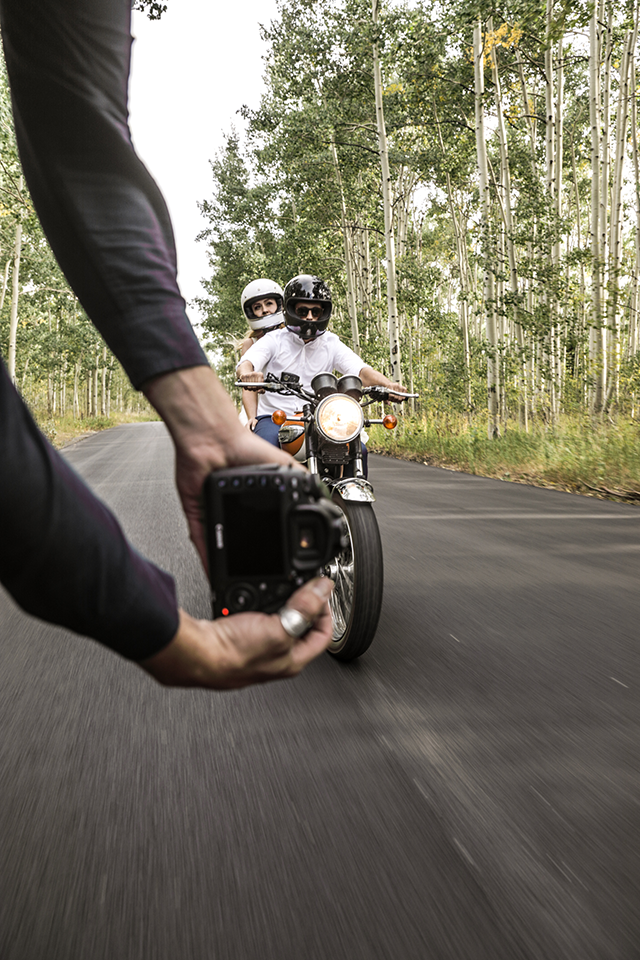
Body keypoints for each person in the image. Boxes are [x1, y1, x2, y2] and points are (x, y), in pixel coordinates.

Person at [0, 0, 333, 689]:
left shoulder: (318, 336)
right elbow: (80, 131)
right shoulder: (258, 346)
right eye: (271, 305)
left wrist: (200, 420)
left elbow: (81, 135)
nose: (282, 312)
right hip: (265, 411)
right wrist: (167, 634)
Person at [237, 274, 406, 447]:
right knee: (264, 446)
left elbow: (361, 371)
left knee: (357, 449)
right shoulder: (274, 339)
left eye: (315, 312)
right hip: (275, 417)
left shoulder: (331, 343)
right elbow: (247, 362)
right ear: (290, 310)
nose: (310, 317)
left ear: (323, 313)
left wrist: (388, 385)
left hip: (319, 419)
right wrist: (248, 375)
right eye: (303, 311)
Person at [237, 279, 285, 428]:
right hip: (260, 407)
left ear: (279, 304)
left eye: (269, 303)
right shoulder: (250, 344)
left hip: (289, 404)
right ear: (251, 313)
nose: (264, 310)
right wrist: (252, 417)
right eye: (258, 307)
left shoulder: (291, 337)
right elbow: (248, 383)